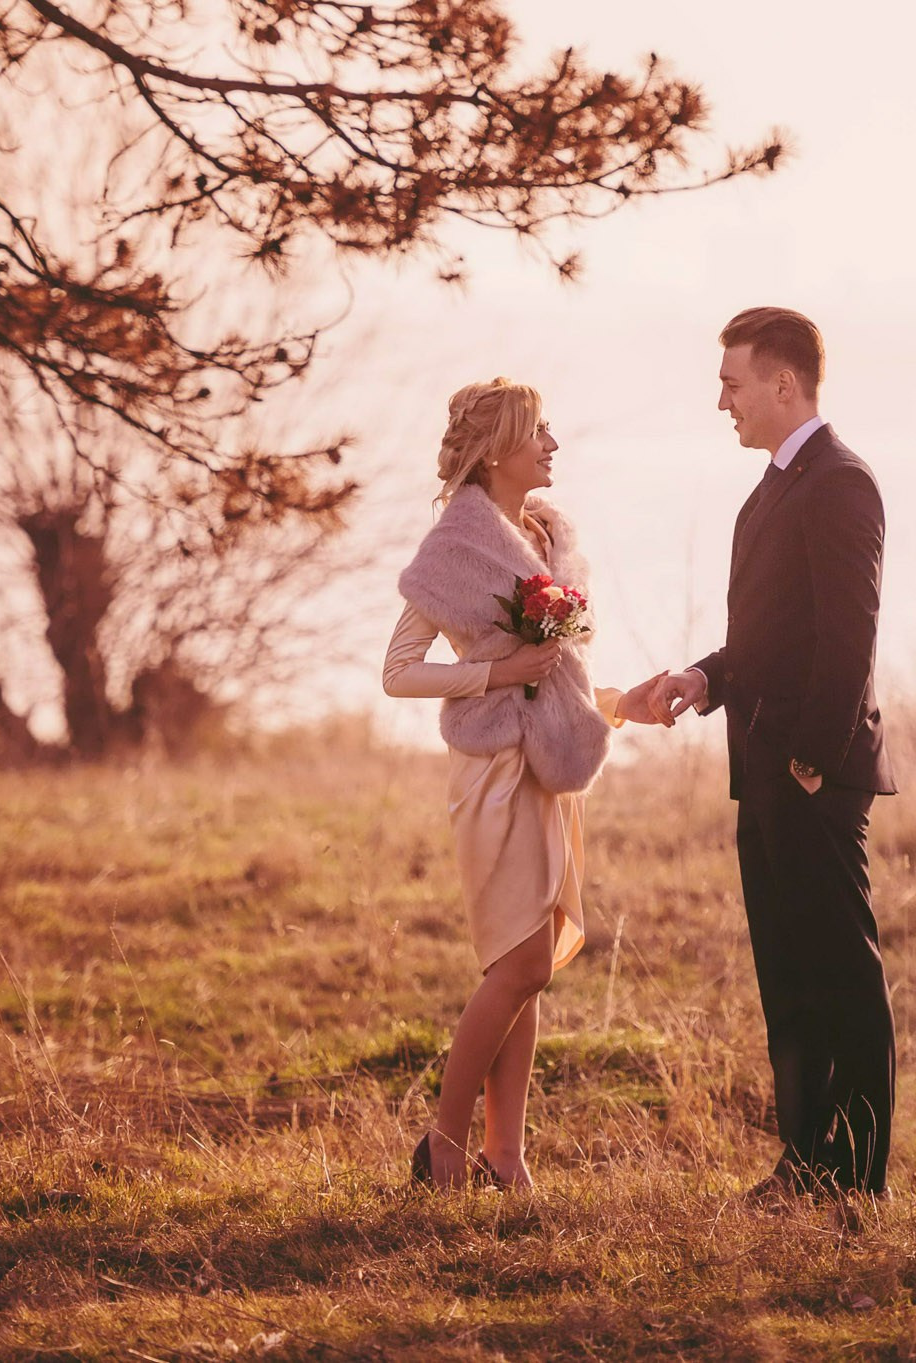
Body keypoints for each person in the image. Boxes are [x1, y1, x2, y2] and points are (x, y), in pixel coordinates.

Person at [385, 377, 668, 1191]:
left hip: (550, 772)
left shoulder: (547, 536)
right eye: (538, 431)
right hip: (494, 774)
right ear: (496, 449)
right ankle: (444, 1145)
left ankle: (505, 1156)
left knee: (529, 963)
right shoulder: (454, 548)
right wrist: (495, 672)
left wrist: (621, 704)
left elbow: (561, 677)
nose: (553, 444)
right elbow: (399, 672)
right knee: (519, 968)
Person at [648, 307, 898, 1201]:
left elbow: (849, 638)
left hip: (811, 775)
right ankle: (803, 1163)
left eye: (732, 384)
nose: (723, 402)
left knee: (842, 977)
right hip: (761, 772)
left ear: (783, 383)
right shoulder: (772, 488)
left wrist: (813, 761)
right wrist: (703, 677)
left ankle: (859, 1178)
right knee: (788, 980)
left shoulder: (841, 482)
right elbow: (768, 635)